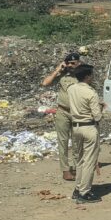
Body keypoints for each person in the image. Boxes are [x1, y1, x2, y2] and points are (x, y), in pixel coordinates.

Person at [41, 52, 82, 181]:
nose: (70, 65)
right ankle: (65, 170)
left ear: (78, 63)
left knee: (77, 141)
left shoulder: (83, 75)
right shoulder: (62, 75)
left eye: (73, 63)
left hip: (77, 113)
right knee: (63, 142)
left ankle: (75, 167)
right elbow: (45, 83)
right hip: (63, 112)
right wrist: (58, 69)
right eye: (68, 63)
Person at [67, 64, 103, 203]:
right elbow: (97, 116)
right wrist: (101, 107)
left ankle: (78, 188)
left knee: (80, 160)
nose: (93, 77)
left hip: (76, 127)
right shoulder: (91, 93)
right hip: (88, 127)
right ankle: (85, 191)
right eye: (91, 75)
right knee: (89, 161)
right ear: (87, 76)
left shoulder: (71, 89)